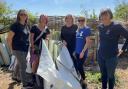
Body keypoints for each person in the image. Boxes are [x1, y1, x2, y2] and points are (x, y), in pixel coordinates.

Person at [98, 8, 128, 89]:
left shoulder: (117, 26)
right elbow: (101, 39)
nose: (104, 17)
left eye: (106, 15)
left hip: (111, 57)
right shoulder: (100, 27)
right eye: (102, 15)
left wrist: (123, 49)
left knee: (110, 75)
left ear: (110, 15)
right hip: (100, 55)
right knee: (103, 74)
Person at [7, 9, 32, 88]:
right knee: (23, 66)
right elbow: (9, 39)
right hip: (17, 48)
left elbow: (27, 36)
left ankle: (15, 76)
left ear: (27, 16)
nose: (23, 16)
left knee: (19, 63)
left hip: (25, 48)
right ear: (18, 15)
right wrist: (12, 49)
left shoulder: (27, 25)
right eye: (22, 14)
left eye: (25, 14)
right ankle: (25, 84)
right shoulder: (15, 25)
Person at [75, 16, 91, 88]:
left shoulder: (86, 29)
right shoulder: (77, 30)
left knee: (79, 66)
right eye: (79, 20)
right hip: (77, 52)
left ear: (85, 21)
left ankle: (84, 80)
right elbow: (76, 41)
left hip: (82, 52)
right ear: (78, 21)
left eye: (82, 20)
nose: (81, 22)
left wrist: (83, 52)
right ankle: (80, 79)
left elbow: (87, 42)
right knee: (77, 66)